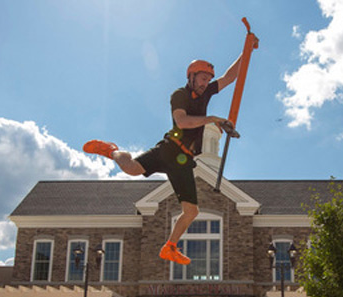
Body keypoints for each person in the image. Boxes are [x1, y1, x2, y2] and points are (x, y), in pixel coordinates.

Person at [83, 53, 245, 266]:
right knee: (131, 169)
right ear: (191, 77)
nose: (206, 83)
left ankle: (170, 247)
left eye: (208, 79)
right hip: (170, 148)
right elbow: (183, 122)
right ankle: (111, 150)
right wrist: (213, 119)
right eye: (202, 78)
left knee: (191, 211)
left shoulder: (206, 94)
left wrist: (247, 49)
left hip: (184, 160)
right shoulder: (179, 95)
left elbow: (230, 77)